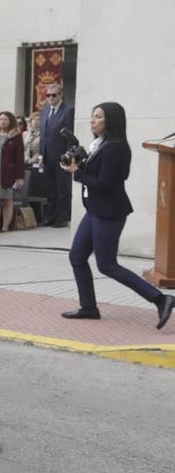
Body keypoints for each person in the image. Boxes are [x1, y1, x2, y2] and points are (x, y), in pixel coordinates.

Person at [61, 102, 175, 327]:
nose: (93, 120)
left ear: (111, 121)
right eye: (93, 116)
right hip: (94, 211)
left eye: (99, 117)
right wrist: (79, 167)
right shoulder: (101, 144)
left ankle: (161, 299)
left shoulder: (115, 147)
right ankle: (89, 307)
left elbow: (104, 184)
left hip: (108, 213)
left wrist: (77, 173)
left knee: (107, 265)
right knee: (76, 257)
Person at [40, 83, 75, 227]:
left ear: (61, 95)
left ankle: (62, 217)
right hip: (47, 154)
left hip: (61, 154)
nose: (50, 98)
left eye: (54, 95)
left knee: (62, 188)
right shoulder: (45, 110)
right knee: (50, 187)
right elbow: (43, 134)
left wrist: (68, 156)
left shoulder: (68, 110)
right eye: (48, 95)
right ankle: (50, 216)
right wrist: (41, 154)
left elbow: (69, 135)